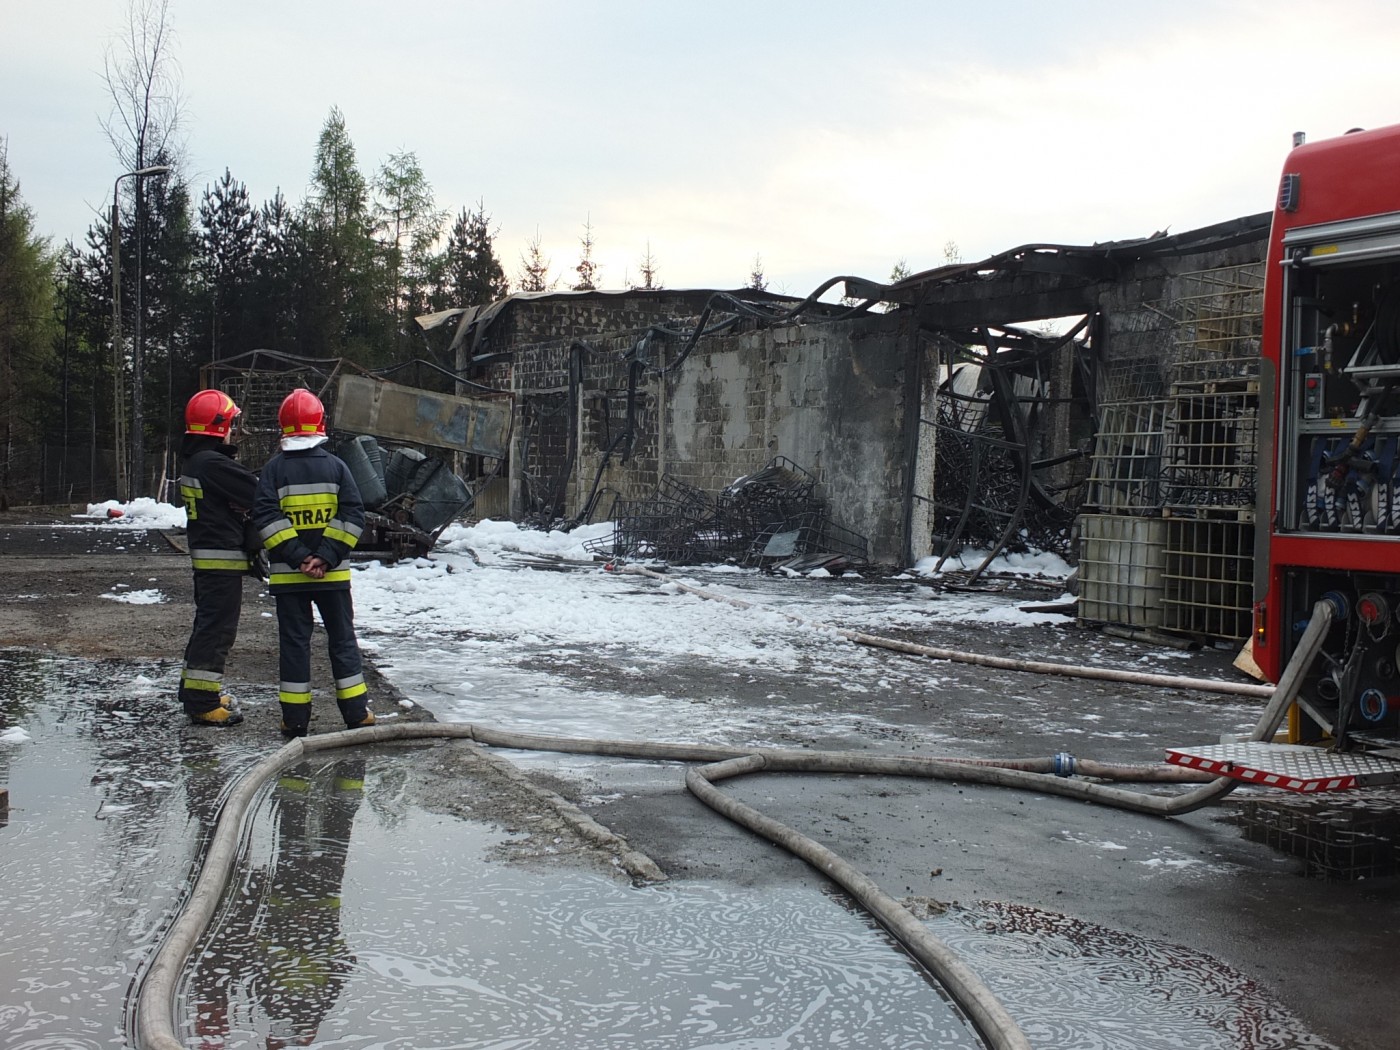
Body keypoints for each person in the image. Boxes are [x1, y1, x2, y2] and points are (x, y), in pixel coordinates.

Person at [253, 388, 374, 737]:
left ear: (283, 426)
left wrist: (299, 557)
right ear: (320, 423)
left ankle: (294, 720)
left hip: (289, 578)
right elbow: (353, 516)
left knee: (294, 645)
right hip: (332, 576)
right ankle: (356, 714)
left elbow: (266, 518)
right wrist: (325, 556)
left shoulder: (273, 471)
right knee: (343, 640)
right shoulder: (338, 468)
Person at [177, 389, 259, 726]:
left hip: (209, 561)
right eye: (232, 423)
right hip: (220, 561)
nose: (235, 430)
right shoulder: (212, 464)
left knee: (207, 627)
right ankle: (203, 702)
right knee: (217, 632)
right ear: (219, 425)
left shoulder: (197, 461)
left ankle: (194, 691)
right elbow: (257, 492)